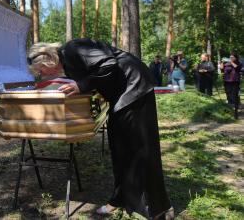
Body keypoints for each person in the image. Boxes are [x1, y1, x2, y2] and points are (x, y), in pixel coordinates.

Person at [27, 39, 173, 219]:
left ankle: (156, 208)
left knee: (140, 148)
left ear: (47, 59)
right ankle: (119, 199)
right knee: (118, 147)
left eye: (41, 70)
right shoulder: (68, 62)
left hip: (134, 88)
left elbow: (109, 65)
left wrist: (81, 85)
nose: (42, 75)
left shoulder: (73, 49)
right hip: (123, 93)